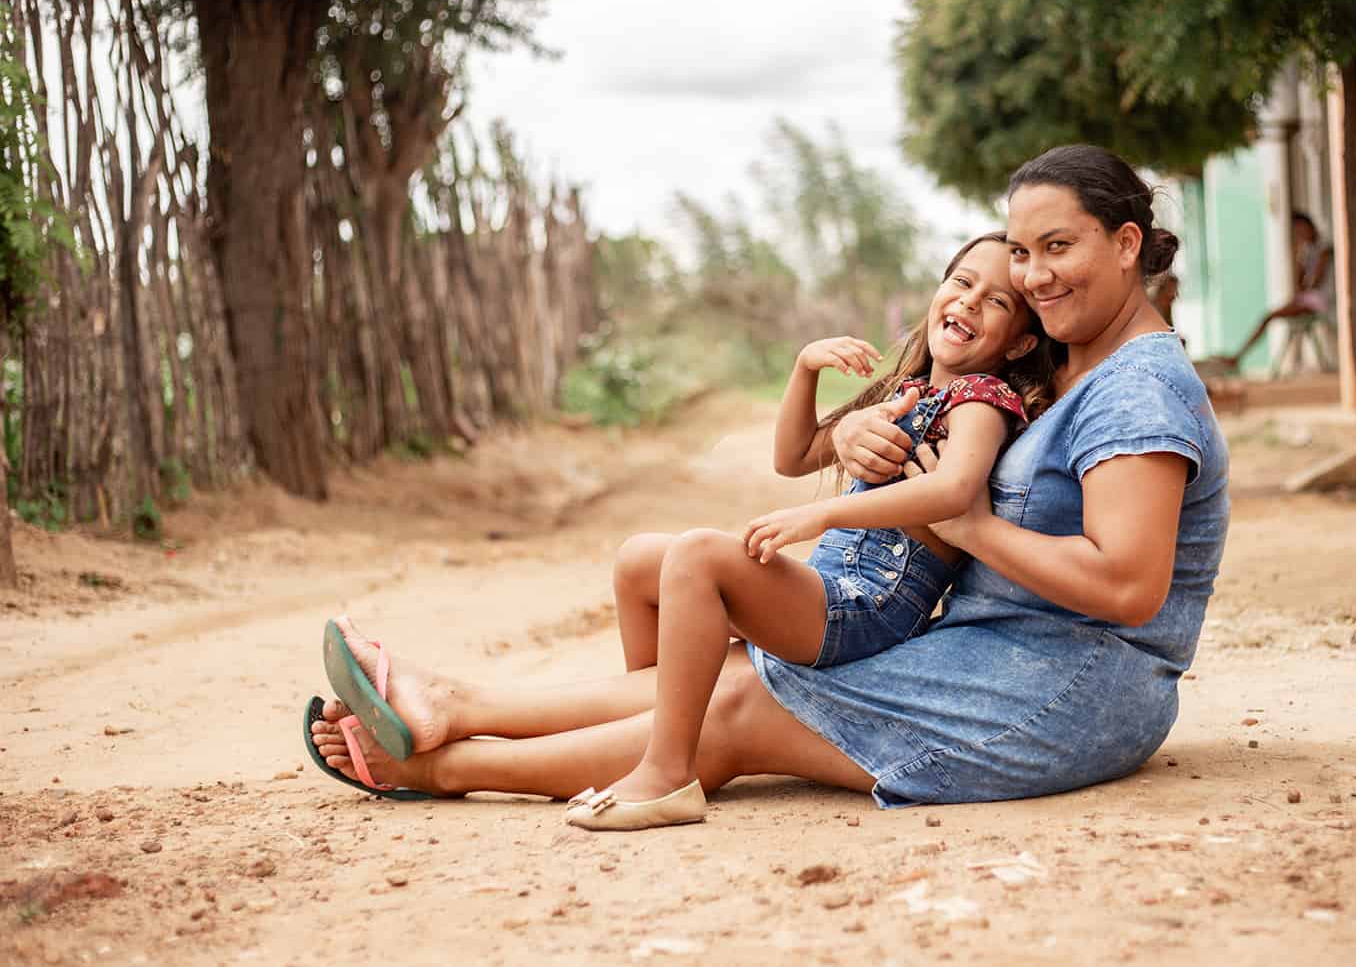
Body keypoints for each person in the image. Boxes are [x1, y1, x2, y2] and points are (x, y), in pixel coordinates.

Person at [304, 143, 1229, 820]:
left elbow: (1128, 586)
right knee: (738, 673)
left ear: (1124, 243)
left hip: (1069, 689)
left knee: (742, 700)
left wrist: (969, 524)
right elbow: (961, 416)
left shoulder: (1137, 388)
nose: (1033, 276)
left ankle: (439, 767)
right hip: (997, 652)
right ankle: (452, 707)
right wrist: (871, 427)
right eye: (1020, 256)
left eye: (1054, 249)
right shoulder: (1077, 364)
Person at [560, 233, 1054, 829]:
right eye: (962, 282)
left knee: (699, 556)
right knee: (640, 561)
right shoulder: (907, 392)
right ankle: (654, 724)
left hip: (870, 609)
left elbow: (952, 490)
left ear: (1023, 341)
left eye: (998, 301)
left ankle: (669, 773)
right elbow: (793, 456)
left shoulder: (983, 399)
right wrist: (805, 368)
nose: (971, 301)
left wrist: (819, 516)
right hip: (829, 591)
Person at [1217, 211, 1333, 370]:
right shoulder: (1307, 252)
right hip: (1307, 298)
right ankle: (1237, 356)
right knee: (1268, 317)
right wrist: (1298, 261)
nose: (1300, 234)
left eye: (1301, 229)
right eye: (1296, 232)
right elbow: (1299, 287)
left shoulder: (1324, 249)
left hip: (1319, 300)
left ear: (1310, 226)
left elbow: (1313, 284)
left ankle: (1238, 357)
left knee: (1268, 317)